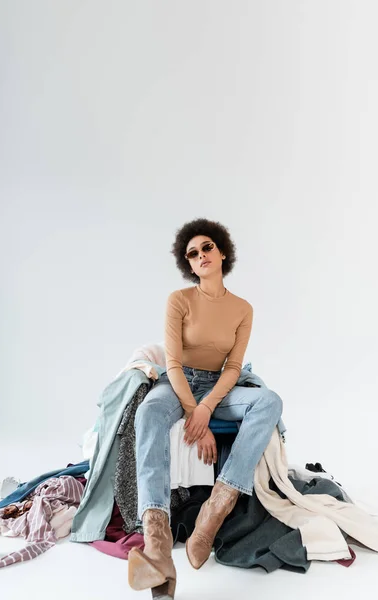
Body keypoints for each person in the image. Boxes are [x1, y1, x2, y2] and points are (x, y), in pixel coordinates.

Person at [128, 218, 283, 599]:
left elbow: (233, 368)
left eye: (206, 247)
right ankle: (158, 546)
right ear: (189, 265)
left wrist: (207, 409)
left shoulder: (243, 309)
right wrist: (194, 410)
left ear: (222, 251)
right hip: (178, 383)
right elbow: (174, 364)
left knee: (269, 401)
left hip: (220, 387)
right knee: (148, 412)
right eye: (192, 254)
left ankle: (214, 511)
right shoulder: (179, 301)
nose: (200, 256)